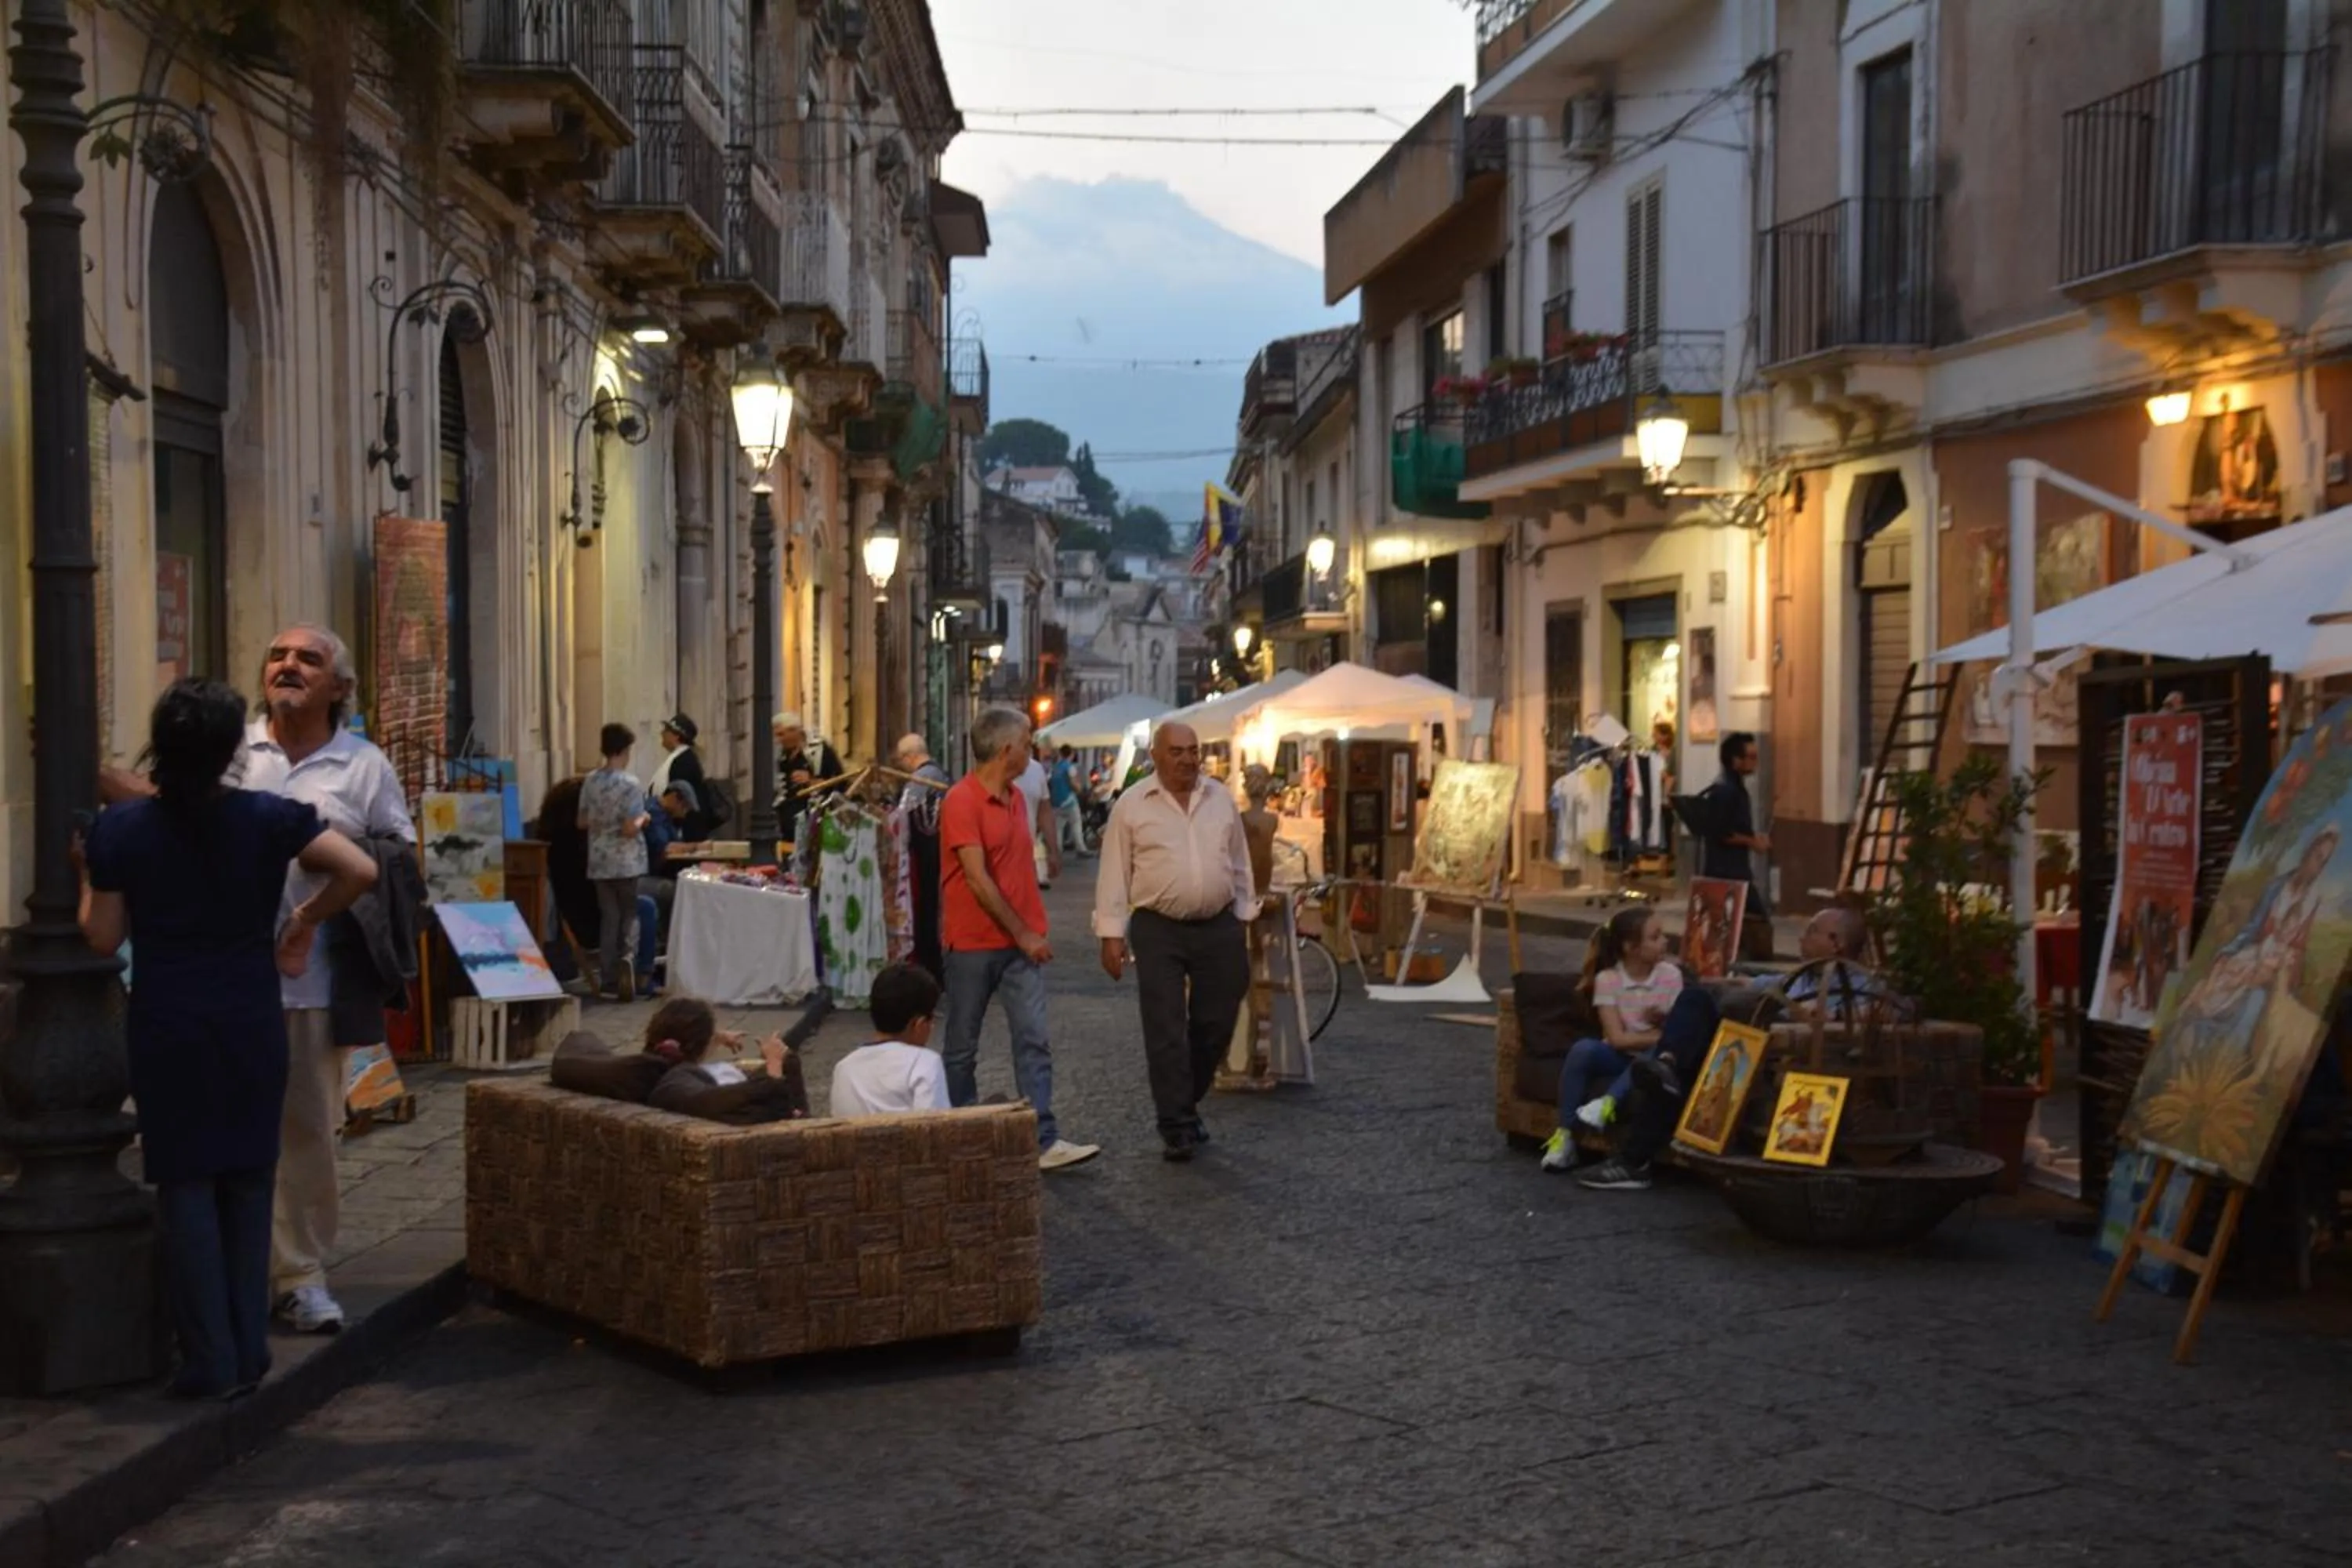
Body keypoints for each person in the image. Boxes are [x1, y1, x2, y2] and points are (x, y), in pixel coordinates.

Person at [79, 680, 379, 1397]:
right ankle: (250, 1350)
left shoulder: (120, 831)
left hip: (168, 1022)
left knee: (183, 1184)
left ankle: (207, 1355)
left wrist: (85, 874)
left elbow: (102, 939)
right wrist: (303, 919)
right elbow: (360, 869)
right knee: (249, 1179)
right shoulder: (266, 818)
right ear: (229, 753)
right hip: (250, 1016)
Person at [940, 706, 1101, 1171]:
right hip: (973, 942)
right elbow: (977, 880)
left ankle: (1042, 1138)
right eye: (1028, 743)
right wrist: (1025, 931)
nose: (1033, 751)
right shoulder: (961, 801)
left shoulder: (1015, 796)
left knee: (1033, 1039)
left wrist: (1032, 925)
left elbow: (1011, 871)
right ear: (1007, 749)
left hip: (1017, 944)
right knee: (962, 1045)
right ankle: (962, 1133)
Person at [1095, 721, 1258, 1161]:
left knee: (1217, 1022)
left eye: (1193, 751)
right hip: (1158, 926)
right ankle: (1177, 1125)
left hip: (1218, 923)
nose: (1188, 759)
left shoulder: (1220, 798)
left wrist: (1244, 913)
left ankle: (1185, 1100)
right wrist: (1111, 934)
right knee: (1165, 1026)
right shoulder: (1132, 805)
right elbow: (1114, 872)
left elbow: (1239, 859)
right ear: (1156, 755)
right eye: (1178, 751)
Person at [1540, 907, 1684, 1173]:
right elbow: (1616, 1039)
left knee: (1655, 1054)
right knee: (1583, 1050)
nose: (1665, 941)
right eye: (1655, 937)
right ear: (1631, 947)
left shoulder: (1671, 976)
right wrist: (1654, 1033)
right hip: (1619, 1056)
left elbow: (1675, 1036)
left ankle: (1607, 1104)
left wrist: (1659, 1030)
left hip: (1651, 1059)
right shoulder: (1608, 979)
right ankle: (1566, 1137)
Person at [579, 723, 650, 1003]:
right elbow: (630, 828)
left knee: (608, 916)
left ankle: (606, 974)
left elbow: (581, 821)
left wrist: (602, 824)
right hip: (626, 860)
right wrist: (644, 818)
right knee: (630, 912)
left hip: (598, 859)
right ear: (624, 750)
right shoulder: (629, 784)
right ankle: (628, 958)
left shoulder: (590, 781)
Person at [830, 963, 953, 1117]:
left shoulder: (844, 1068)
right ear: (919, 1024)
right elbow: (936, 1127)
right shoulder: (924, 1062)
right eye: (931, 1021)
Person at [1700, 731, 1773, 960]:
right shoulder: (1725, 790)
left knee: (1737, 923)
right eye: (1750, 757)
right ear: (1735, 760)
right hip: (1726, 870)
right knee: (1754, 921)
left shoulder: (1736, 789)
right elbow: (1721, 833)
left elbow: (1737, 828)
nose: (1755, 762)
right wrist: (1752, 842)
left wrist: (1754, 838)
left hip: (1735, 869)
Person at [895, 733, 953, 978]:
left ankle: (929, 964)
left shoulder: (922, 777)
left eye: (902, 760)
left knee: (926, 909)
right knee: (931, 907)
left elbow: (902, 814)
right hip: (936, 848)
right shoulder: (940, 773)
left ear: (910, 757)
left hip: (927, 853)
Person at [772, 711, 844, 848]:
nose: (778, 740)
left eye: (781, 734)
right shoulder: (784, 754)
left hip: (815, 813)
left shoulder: (820, 749)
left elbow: (839, 781)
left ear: (794, 731)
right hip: (789, 816)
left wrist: (811, 781)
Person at [1015, 737, 1058, 891]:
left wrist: (1053, 851)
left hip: (1026, 855)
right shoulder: (993, 771)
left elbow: (1044, 811)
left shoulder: (1036, 769)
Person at [649, 712, 706, 802]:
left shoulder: (685, 762)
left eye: (666, 730)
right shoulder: (679, 757)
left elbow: (679, 800)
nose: (662, 733)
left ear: (676, 736)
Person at [1050, 744, 1091, 859]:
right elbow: (1073, 783)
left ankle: (1058, 850)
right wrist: (1079, 789)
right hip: (1069, 800)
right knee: (1076, 823)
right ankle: (1081, 849)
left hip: (1056, 801)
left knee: (1058, 827)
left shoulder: (1056, 767)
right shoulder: (1069, 767)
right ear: (1071, 754)